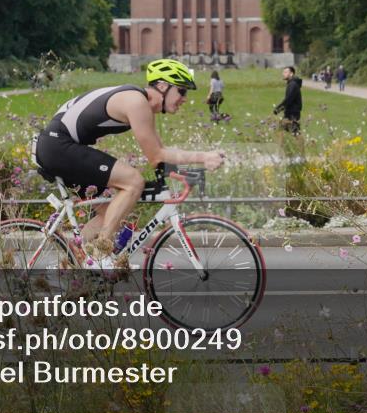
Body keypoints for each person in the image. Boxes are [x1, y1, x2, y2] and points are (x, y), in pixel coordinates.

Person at [33, 59, 225, 269]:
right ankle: (100, 253)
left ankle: (78, 264)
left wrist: (186, 168)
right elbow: (156, 156)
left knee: (110, 211)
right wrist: (204, 157)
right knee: (133, 182)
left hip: (58, 145)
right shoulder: (136, 102)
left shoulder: (141, 103)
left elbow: (161, 154)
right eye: (181, 91)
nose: (184, 99)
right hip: (58, 145)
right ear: (163, 86)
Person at [274, 66, 303, 135]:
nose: (283, 74)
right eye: (283, 72)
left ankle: (300, 145)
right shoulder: (292, 83)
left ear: (291, 74)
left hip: (292, 114)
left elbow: (288, 99)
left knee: (294, 134)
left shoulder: (293, 84)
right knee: (288, 133)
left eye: (285, 72)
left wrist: (278, 109)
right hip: (290, 113)